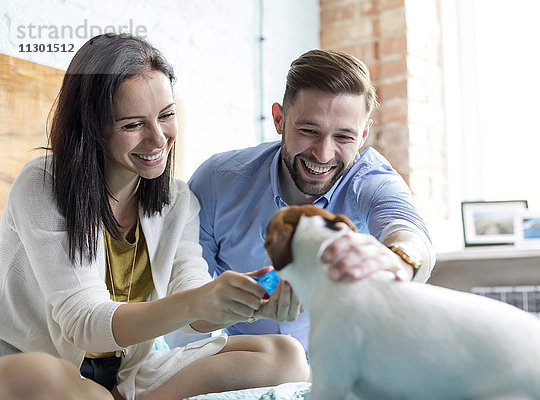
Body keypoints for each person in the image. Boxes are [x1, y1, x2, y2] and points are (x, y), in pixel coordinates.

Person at [0, 33, 309, 400]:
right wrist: (199, 300)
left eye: (166, 116)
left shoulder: (177, 201)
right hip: (46, 361)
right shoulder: (43, 183)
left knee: (288, 356)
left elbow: (194, 307)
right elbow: (83, 322)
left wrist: (245, 301)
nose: (158, 139)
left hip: (129, 371)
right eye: (133, 125)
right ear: (92, 127)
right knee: (38, 376)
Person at [188, 49, 436, 353]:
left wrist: (397, 259)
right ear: (280, 119)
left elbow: (410, 235)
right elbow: (186, 309)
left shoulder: (372, 180)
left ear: (363, 134)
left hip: (351, 361)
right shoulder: (217, 181)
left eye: (344, 137)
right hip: (250, 363)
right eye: (308, 130)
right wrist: (249, 304)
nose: (323, 153)